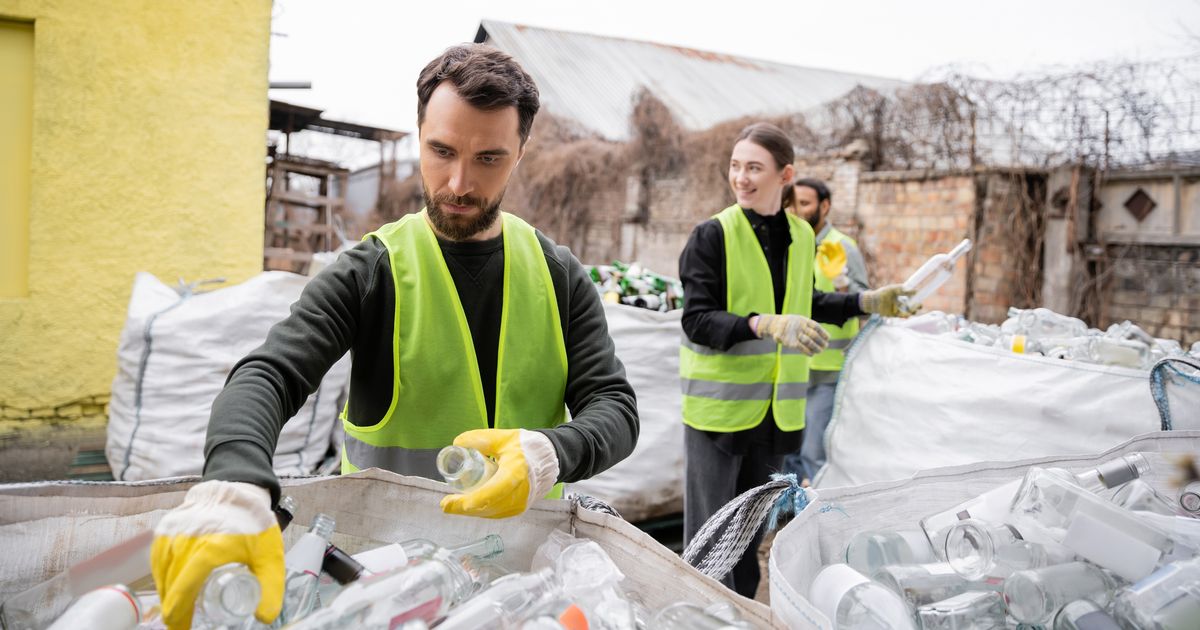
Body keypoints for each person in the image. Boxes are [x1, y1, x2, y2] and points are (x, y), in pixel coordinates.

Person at [150, 44, 639, 630]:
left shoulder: (559, 275)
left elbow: (615, 408)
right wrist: (233, 481)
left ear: (521, 152)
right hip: (381, 580)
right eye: (442, 151)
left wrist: (550, 453)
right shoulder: (372, 271)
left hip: (523, 583)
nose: (459, 182)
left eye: (488, 158)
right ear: (419, 134)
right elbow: (269, 374)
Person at [678, 122, 914, 598]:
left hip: (776, 416)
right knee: (710, 536)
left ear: (785, 174)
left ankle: (740, 611)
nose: (741, 178)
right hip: (719, 413)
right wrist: (762, 324)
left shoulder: (802, 236)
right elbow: (697, 319)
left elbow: (804, 300)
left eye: (754, 168)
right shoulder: (712, 236)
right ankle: (697, 614)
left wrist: (865, 302)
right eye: (736, 167)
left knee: (749, 536)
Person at [782, 178, 870, 482]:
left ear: (824, 206)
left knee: (812, 452)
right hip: (791, 366)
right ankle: (786, 516)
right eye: (795, 204)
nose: (799, 210)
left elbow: (864, 300)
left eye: (806, 204)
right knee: (787, 451)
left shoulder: (843, 246)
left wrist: (844, 284)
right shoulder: (790, 241)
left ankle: (817, 515)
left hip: (827, 370)